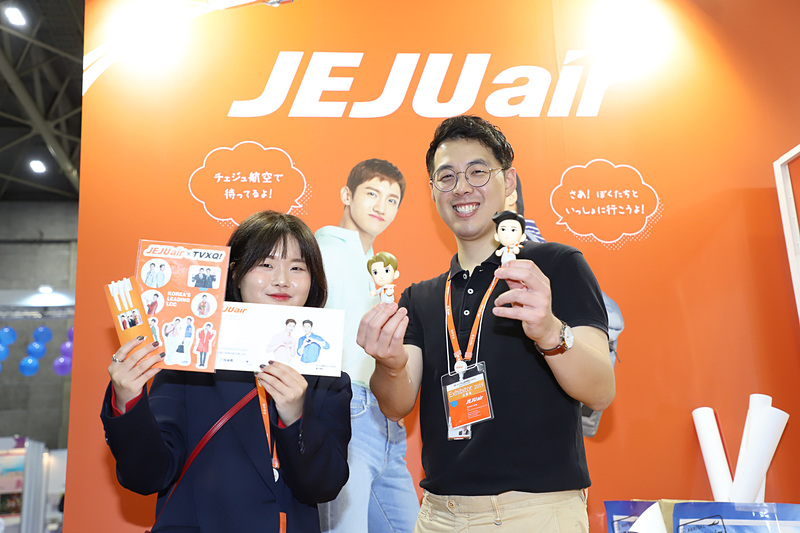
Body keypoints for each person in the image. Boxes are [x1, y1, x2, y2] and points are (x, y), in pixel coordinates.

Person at [357, 115, 615, 532]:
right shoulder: (421, 297)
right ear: (433, 191)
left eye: (477, 172)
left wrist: (550, 331)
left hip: (536, 513)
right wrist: (388, 365)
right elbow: (395, 404)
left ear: (508, 180)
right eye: (447, 177)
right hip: (440, 515)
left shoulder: (555, 266)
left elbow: (601, 390)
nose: (462, 187)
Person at [101, 210, 352, 533]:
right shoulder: (190, 365)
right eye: (266, 264)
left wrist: (295, 418)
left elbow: (325, 486)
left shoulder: (327, 377)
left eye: (297, 268)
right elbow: (148, 476)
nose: (282, 280)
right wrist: (128, 401)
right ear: (234, 273)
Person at [315, 158, 419, 533]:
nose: (381, 207)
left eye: (392, 200)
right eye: (372, 194)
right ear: (347, 195)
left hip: (384, 415)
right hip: (347, 407)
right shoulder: (324, 250)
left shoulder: (374, 265)